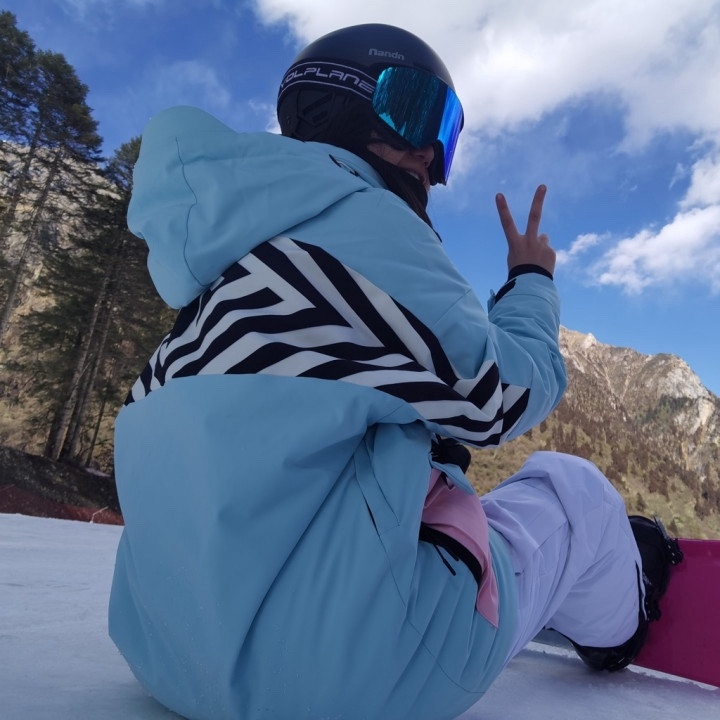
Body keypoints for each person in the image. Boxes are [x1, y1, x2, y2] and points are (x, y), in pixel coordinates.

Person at [109, 23, 679, 720]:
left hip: (169, 658)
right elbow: (503, 395)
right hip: (343, 675)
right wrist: (531, 280)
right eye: (417, 110)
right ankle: (624, 609)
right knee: (574, 490)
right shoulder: (364, 221)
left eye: (446, 132)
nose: (432, 155)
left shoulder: (217, 277)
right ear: (337, 106)